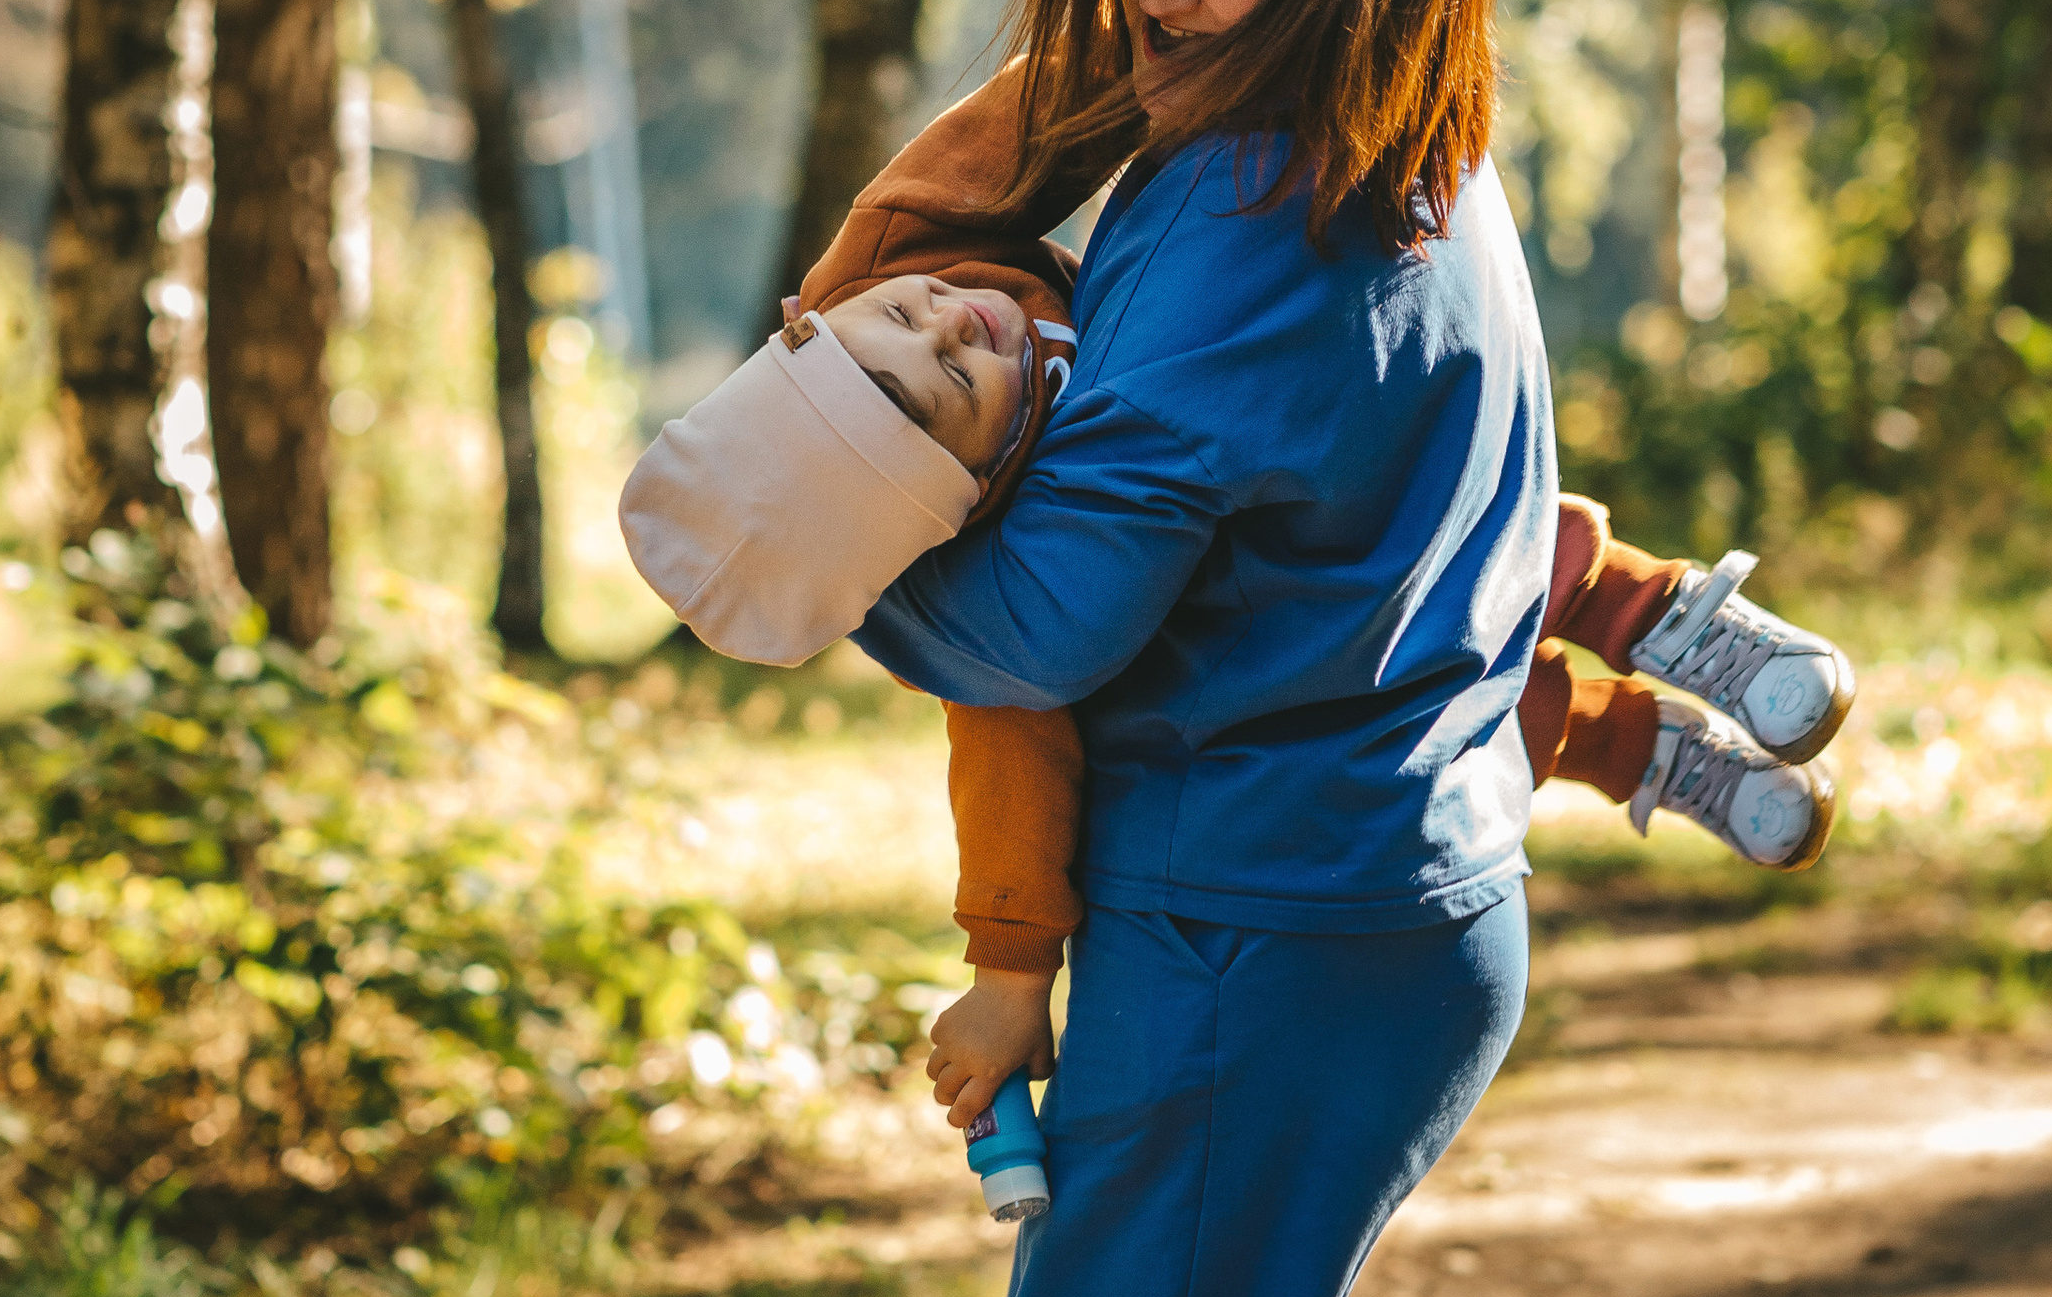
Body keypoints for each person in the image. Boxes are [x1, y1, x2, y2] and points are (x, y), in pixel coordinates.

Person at [620, 98, 1853, 1131]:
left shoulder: (891, 246)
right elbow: (1007, 779)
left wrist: (1168, 39)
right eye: (953, 382)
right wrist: (1007, 976)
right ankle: (1641, 748)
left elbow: (1031, 116)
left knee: (1482, 524)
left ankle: (1664, 613)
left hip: (1285, 377)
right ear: (954, 501)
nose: (949, 323)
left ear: (808, 320)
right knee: (1402, 659)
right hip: (1273, 574)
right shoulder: (983, 591)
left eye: (899, 322)